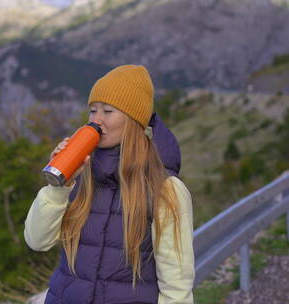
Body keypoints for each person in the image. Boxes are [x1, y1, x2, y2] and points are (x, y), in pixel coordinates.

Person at [24, 65, 195, 304]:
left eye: (108, 111)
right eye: (92, 111)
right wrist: (59, 186)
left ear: (134, 120)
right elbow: (37, 241)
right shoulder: (81, 177)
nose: (96, 121)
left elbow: (177, 285)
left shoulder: (165, 189)